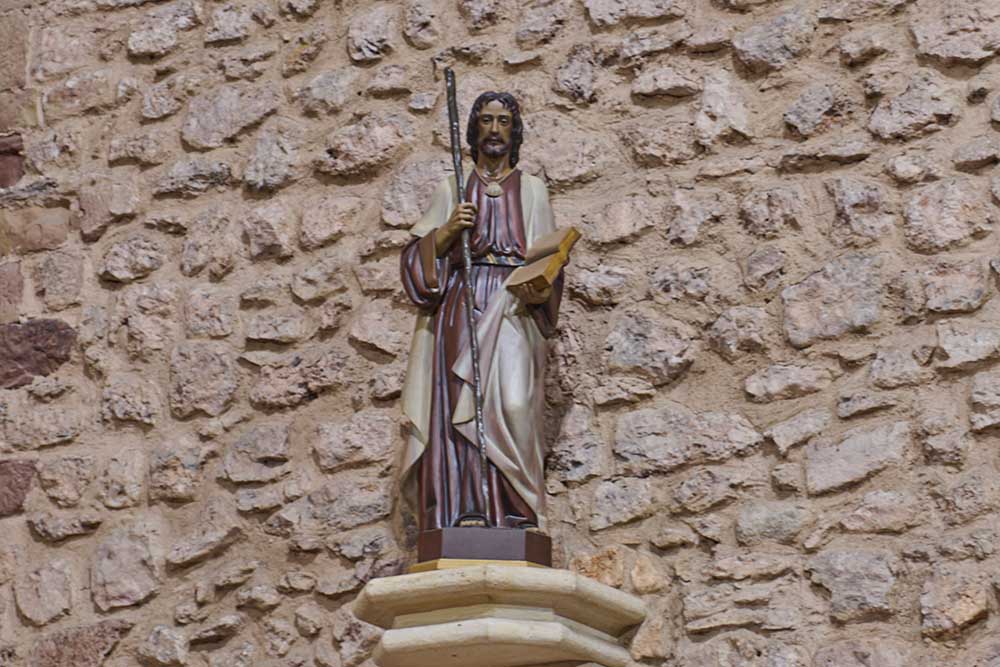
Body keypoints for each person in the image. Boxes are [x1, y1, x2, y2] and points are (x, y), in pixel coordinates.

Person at [399, 91, 564, 533]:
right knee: (460, 403)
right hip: (462, 305)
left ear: (515, 132)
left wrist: (543, 280)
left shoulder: (531, 190)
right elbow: (414, 262)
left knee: (513, 403)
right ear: (474, 130)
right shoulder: (452, 188)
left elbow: (549, 258)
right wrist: (448, 231)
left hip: (514, 307)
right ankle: (464, 509)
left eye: (503, 121)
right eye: (486, 121)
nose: (494, 130)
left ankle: (517, 511)